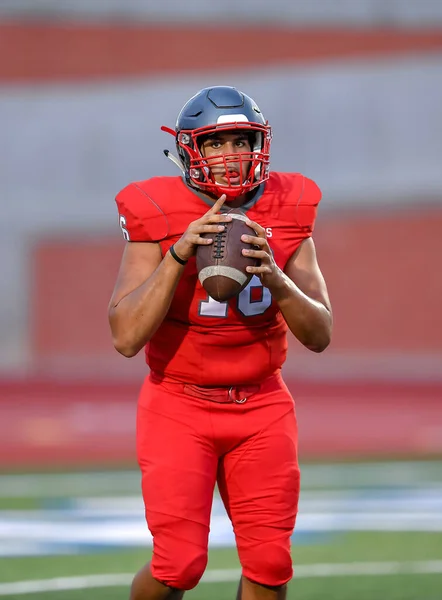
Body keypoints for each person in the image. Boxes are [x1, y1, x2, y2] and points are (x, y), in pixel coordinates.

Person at [108, 86, 332, 600]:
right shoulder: (155, 210)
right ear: (191, 150)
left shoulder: (288, 204)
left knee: (271, 564)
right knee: (178, 565)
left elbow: (320, 332)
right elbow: (124, 336)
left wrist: (276, 277)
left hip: (262, 403)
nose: (231, 156)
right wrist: (179, 254)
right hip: (178, 402)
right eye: (216, 143)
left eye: (241, 139)